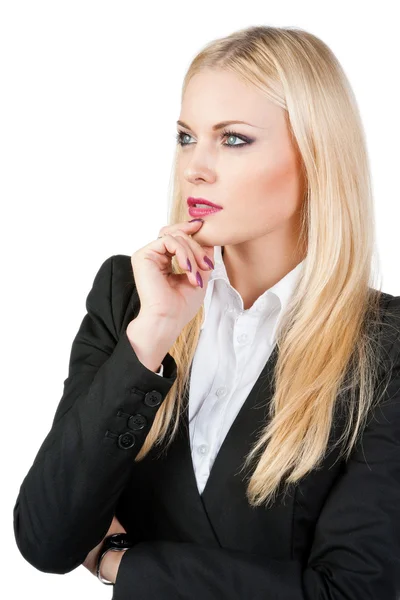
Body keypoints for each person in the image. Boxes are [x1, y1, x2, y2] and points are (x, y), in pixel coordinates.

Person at [13, 25, 400, 599]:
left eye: (234, 139)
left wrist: (126, 564)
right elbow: (46, 540)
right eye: (186, 137)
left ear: (317, 154)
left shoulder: (383, 345)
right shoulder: (128, 295)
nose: (195, 166)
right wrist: (150, 340)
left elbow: (353, 592)